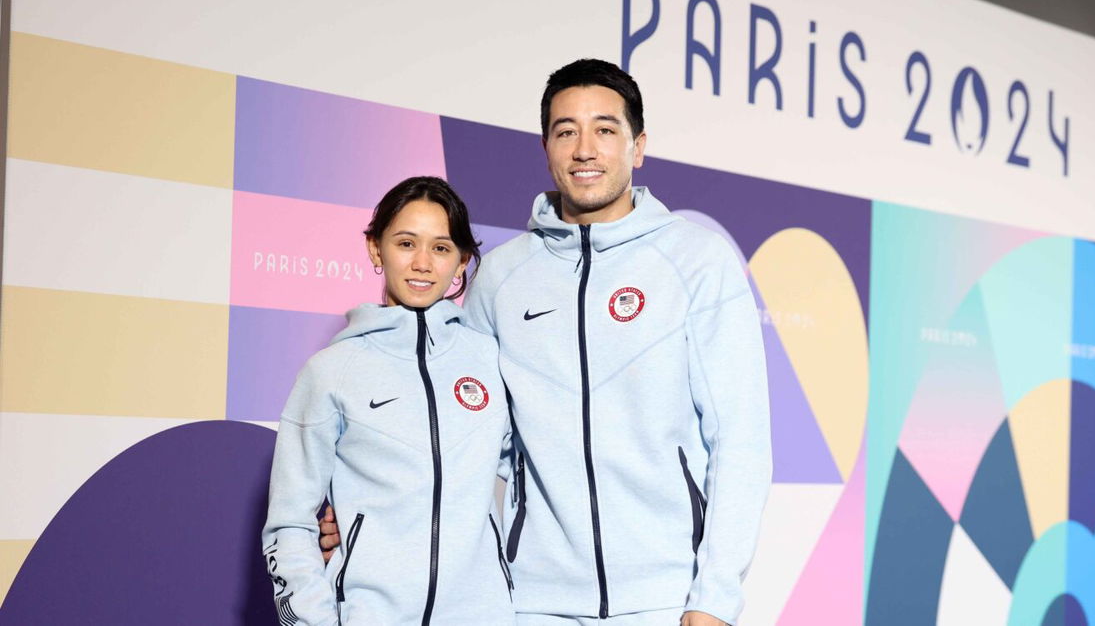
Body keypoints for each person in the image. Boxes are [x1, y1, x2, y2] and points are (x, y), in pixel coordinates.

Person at [324, 60, 772, 625]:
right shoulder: (502, 278)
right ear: (546, 147)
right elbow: (467, 436)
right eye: (566, 131)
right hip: (530, 602)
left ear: (638, 146)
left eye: (605, 129)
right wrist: (366, 505)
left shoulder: (697, 262)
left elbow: (741, 441)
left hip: (667, 600)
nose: (585, 148)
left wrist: (714, 599)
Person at [263, 177, 515, 625]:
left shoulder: (491, 361)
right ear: (376, 250)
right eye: (405, 243)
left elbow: (538, 481)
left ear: (462, 263)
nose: (421, 263)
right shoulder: (331, 370)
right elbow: (289, 523)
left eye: (440, 248)